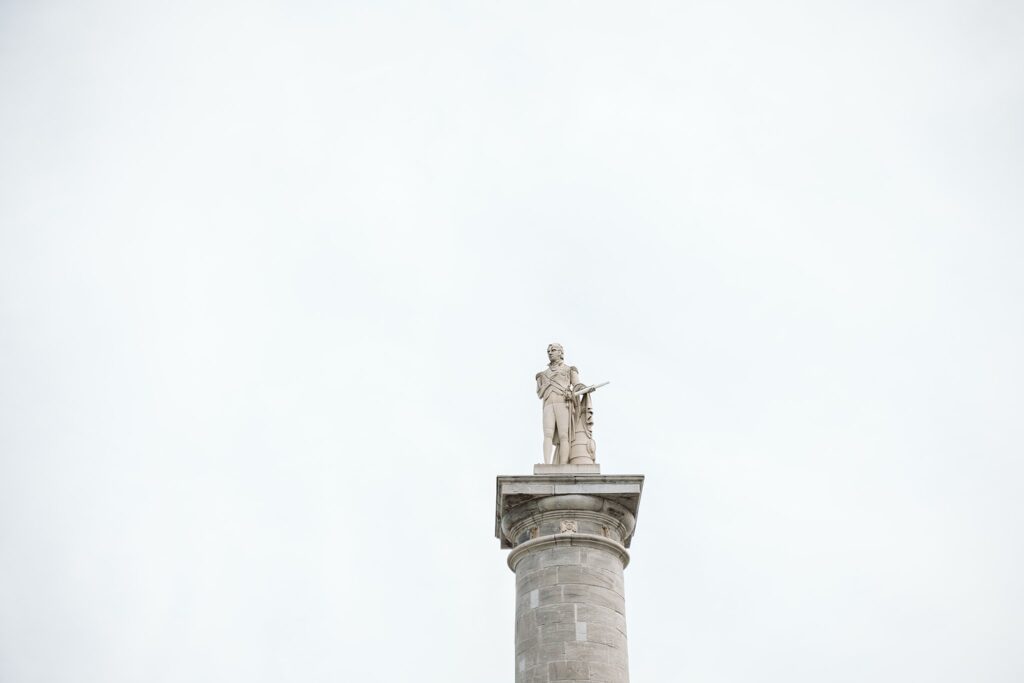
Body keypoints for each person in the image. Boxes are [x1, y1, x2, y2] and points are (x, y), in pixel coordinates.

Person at [535, 343, 586, 464]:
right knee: (547, 434)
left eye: (553, 350)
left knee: (564, 435)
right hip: (548, 404)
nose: (550, 353)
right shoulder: (542, 375)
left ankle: (563, 465)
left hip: (563, 403)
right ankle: (547, 464)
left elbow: (577, 385)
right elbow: (539, 394)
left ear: (561, 352)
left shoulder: (569, 369)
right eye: (548, 351)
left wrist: (585, 390)